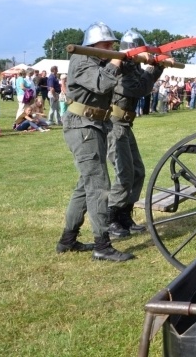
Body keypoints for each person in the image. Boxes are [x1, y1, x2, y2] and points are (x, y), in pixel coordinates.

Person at [55, 21, 133, 262]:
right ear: (92, 44)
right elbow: (102, 84)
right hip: (82, 126)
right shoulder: (81, 61)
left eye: (112, 43)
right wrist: (116, 61)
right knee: (98, 185)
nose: (111, 46)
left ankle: (67, 240)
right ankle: (102, 245)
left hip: (96, 125)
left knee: (84, 185)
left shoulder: (100, 61)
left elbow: (129, 82)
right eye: (106, 43)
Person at [107, 30, 168, 238]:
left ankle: (124, 214)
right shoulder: (121, 65)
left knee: (137, 171)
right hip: (113, 125)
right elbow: (138, 88)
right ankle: (111, 218)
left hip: (125, 124)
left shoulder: (133, 66)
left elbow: (144, 81)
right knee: (124, 173)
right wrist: (154, 68)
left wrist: (158, 65)